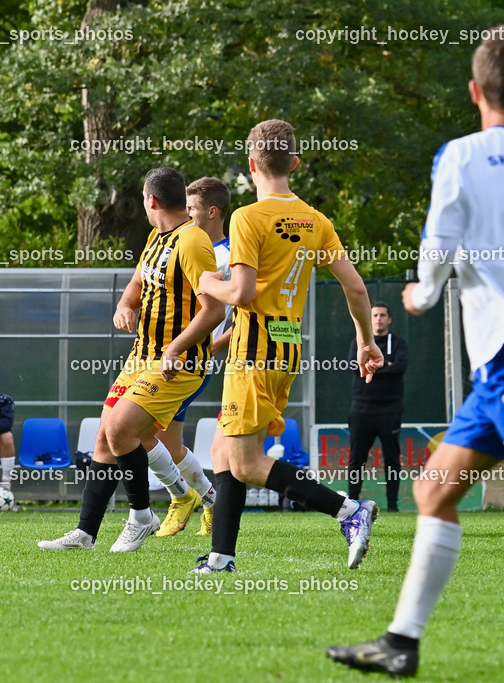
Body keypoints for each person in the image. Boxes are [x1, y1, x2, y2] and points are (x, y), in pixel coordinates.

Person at [328, 25, 504, 677]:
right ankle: (400, 641)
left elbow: (438, 245)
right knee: (432, 490)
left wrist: (422, 294)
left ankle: (400, 640)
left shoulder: (461, 156)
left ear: (474, 90)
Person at [193, 118, 384, 574]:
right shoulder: (315, 220)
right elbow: (356, 289)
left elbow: (239, 292)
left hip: (253, 352)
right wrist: (365, 341)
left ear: (252, 164)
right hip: (286, 347)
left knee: (246, 462)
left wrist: (205, 281)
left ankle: (348, 511)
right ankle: (221, 557)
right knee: (223, 451)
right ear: (294, 163)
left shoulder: (247, 217)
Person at [39, 166, 226, 552]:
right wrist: (125, 305)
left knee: (122, 428)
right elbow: (138, 283)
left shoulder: (192, 242)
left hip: (177, 363)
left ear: (151, 200)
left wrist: (174, 348)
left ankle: (142, 516)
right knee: (104, 438)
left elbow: (214, 311)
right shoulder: (157, 237)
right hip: (141, 357)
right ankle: (86, 533)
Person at [148, 177, 234, 538]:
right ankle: (207, 500)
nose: (186, 213)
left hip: (191, 363)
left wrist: (194, 349)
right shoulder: (177, 241)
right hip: (166, 358)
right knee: (164, 439)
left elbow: (239, 322)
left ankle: (185, 498)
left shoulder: (230, 257)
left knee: (141, 430)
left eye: (192, 208)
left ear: (210, 212)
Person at [347, 302, 408, 512]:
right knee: (357, 458)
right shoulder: (359, 342)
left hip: (390, 411)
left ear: (389, 319)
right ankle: (352, 504)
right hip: (362, 410)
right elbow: (356, 367)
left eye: (383, 315)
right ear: (369, 319)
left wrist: (376, 367)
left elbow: (400, 367)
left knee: (392, 459)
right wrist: (386, 365)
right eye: (375, 315)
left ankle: (393, 505)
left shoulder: (398, 343)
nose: (379, 319)